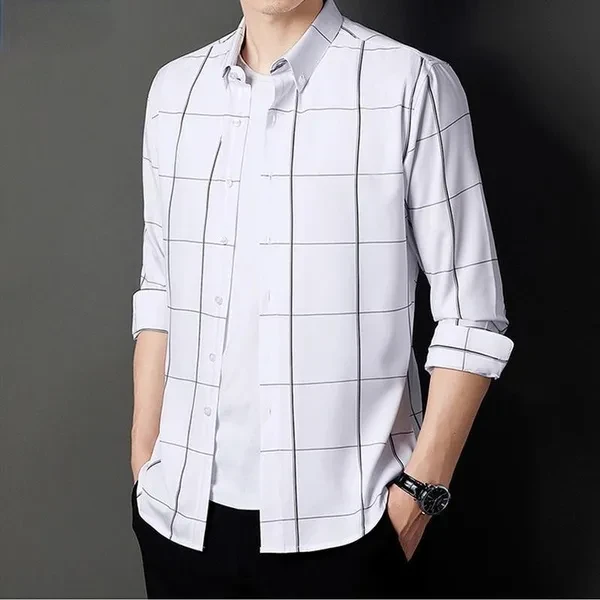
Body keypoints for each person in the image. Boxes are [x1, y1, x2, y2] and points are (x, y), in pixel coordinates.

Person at [129, 0, 514, 597]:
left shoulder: (410, 85)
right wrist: (145, 459)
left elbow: (473, 315)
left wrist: (418, 497)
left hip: (351, 534)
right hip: (178, 521)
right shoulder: (174, 92)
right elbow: (161, 289)